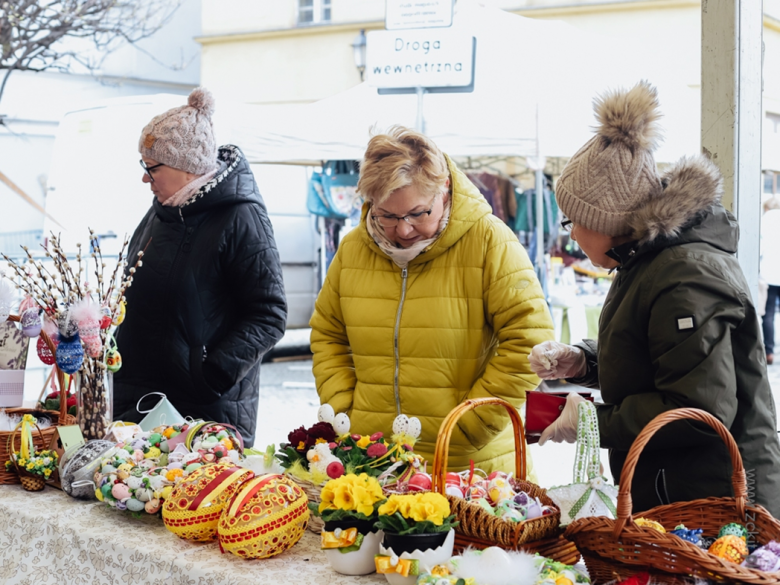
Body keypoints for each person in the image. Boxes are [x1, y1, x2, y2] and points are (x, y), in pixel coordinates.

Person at [529, 81, 780, 517]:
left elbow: (698, 406)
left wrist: (591, 421)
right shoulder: (643, 261)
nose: (569, 234)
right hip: (675, 485)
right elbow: (655, 358)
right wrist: (584, 360)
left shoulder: (683, 274)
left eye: (572, 221)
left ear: (606, 222)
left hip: (718, 501)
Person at [310, 126, 555, 475]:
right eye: (388, 216)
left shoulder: (490, 241)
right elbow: (327, 334)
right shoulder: (352, 249)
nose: (404, 230)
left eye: (417, 213)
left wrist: (472, 423)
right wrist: (343, 409)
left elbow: (531, 341)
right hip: (372, 461)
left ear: (444, 189)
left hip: (470, 469)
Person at [113, 88, 287, 446]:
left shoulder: (241, 217)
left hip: (206, 409)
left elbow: (268, 314)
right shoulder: (162, 211)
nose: (145, 178)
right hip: (143, 401)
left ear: (184, 166)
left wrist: (212, 372)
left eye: (152, 167)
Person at [761, 197, 780, 365]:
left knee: (769, 314)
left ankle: (769, 352)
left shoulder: (764, 221)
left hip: (769, 275)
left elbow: (759, 247)